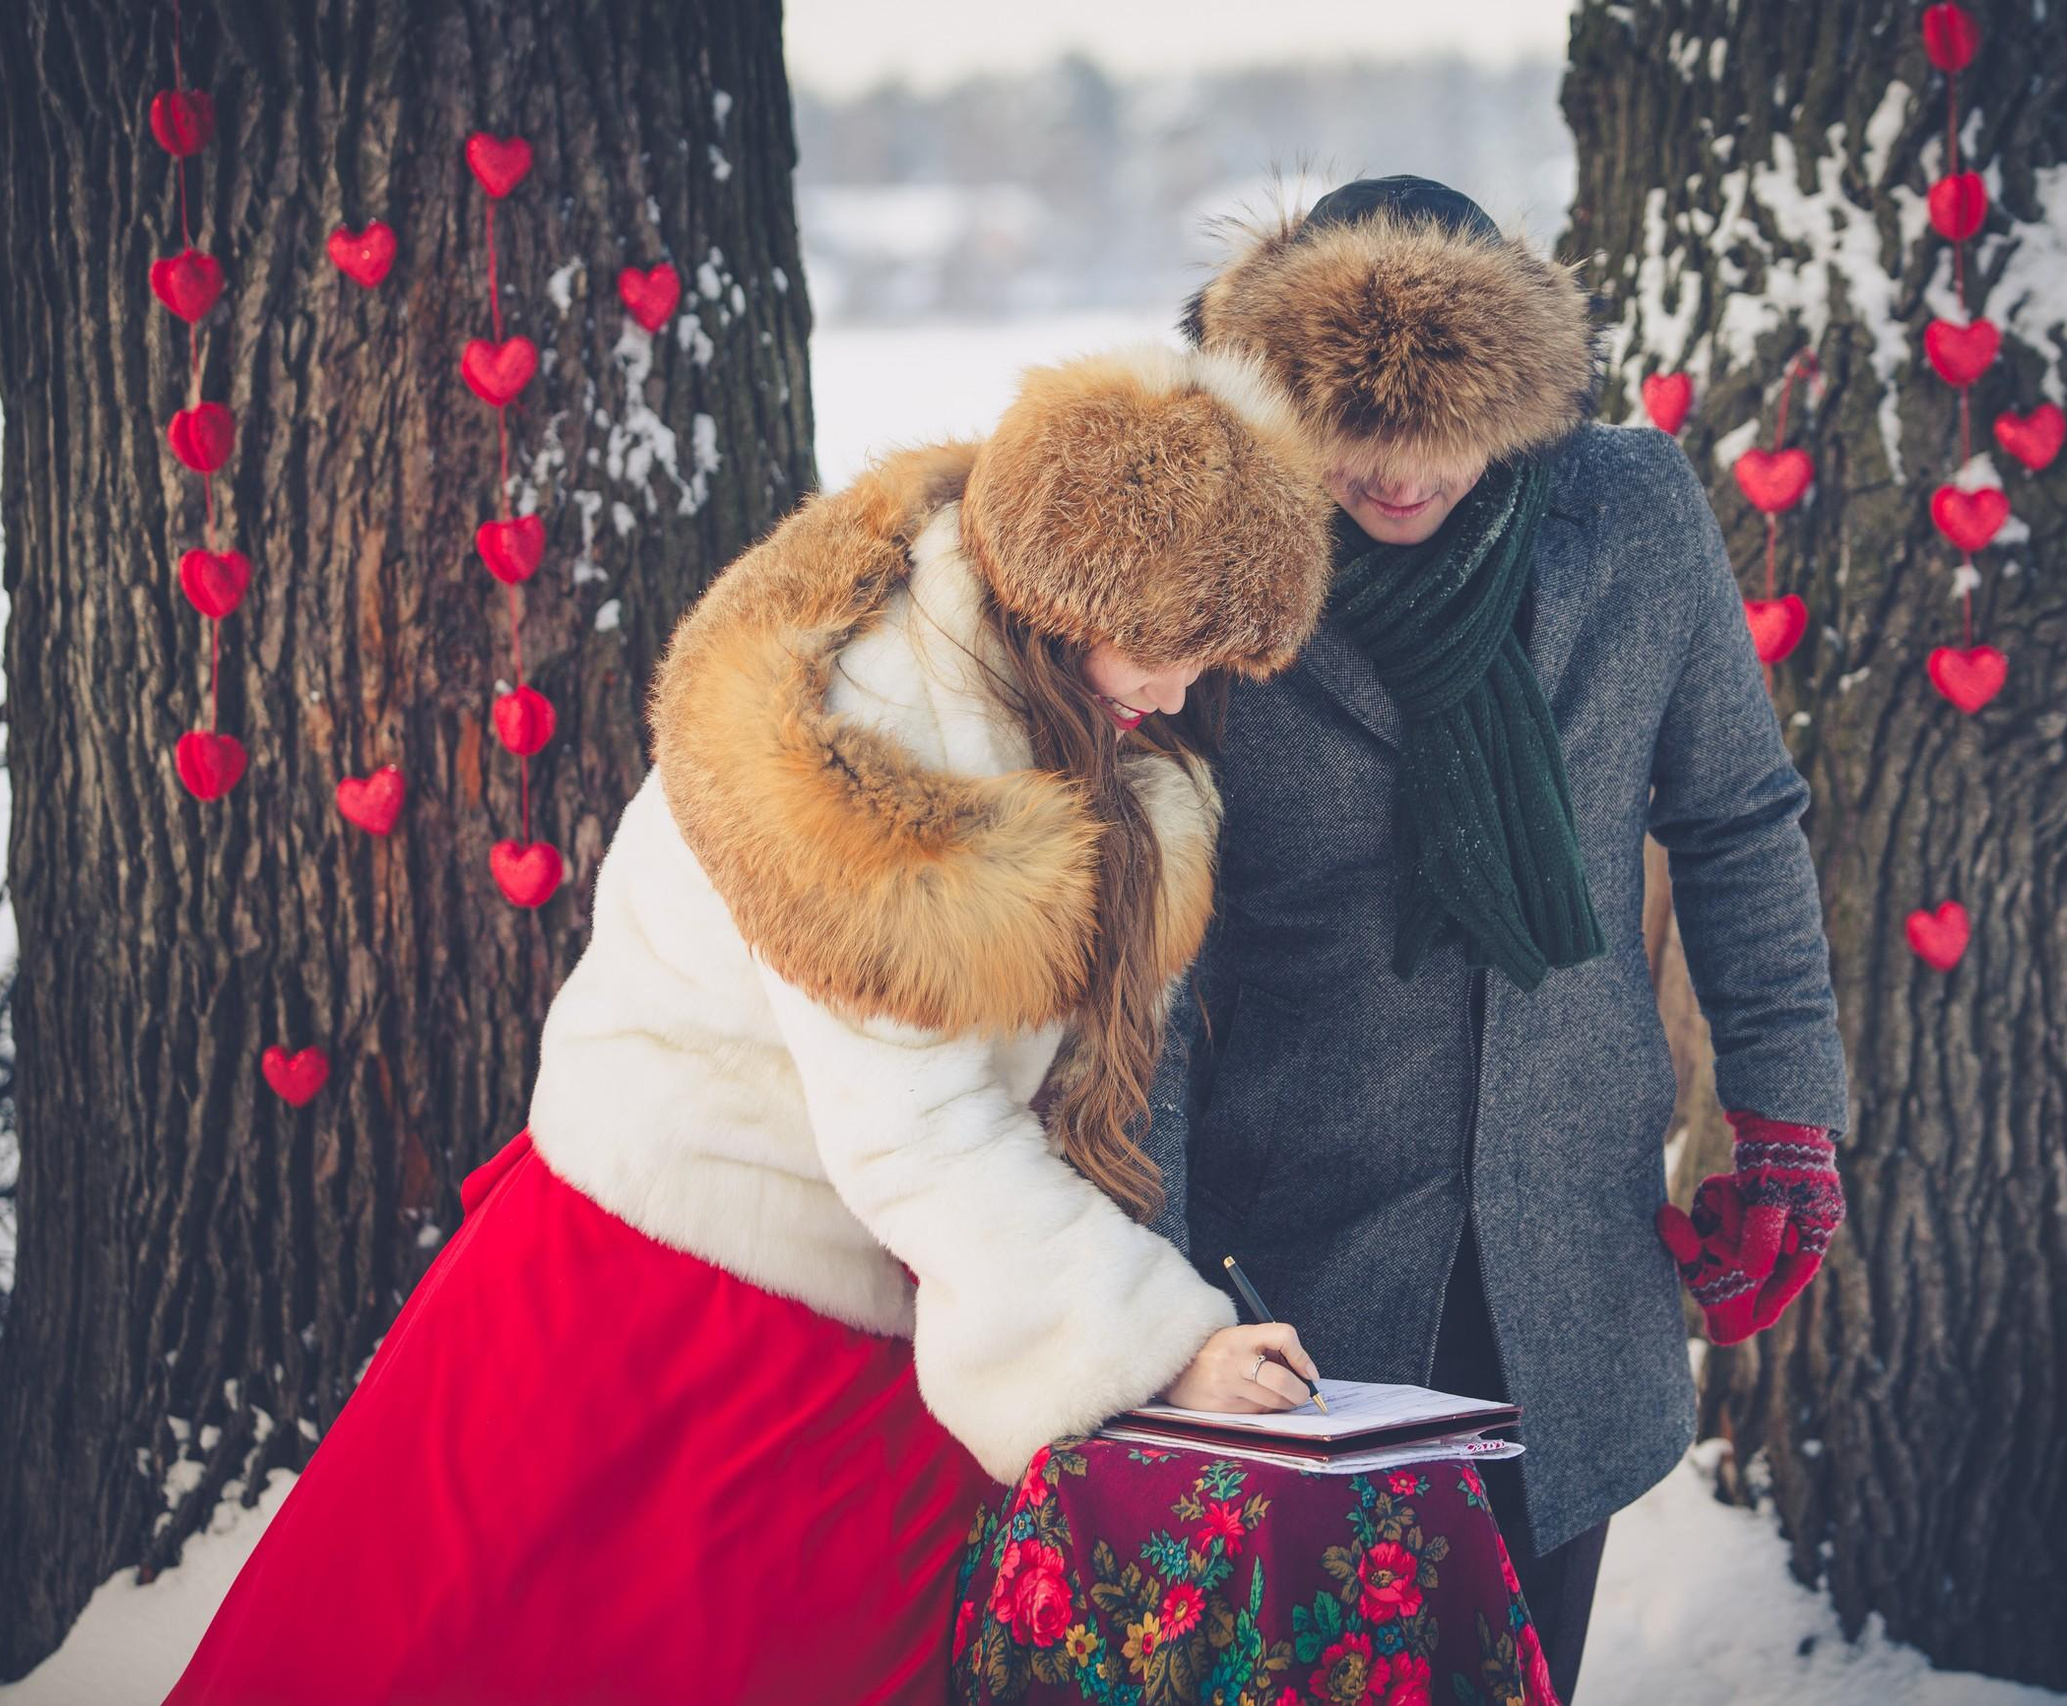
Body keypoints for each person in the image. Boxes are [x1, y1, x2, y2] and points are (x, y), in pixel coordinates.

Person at [164, 344, 1337, 1706]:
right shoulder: (881, 737)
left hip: (850, 1293)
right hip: (682, 1309)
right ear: (1083, 589)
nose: (1184, 694)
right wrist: (1160, 1339)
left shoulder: (1035, 674)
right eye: (1172, 648)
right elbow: (918, 1127)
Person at [1146, 176, 1853, 1703]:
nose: (1398, 483)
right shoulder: (1225, 553)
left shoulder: (1635, 512)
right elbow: (1155, 937)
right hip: (1297, 1265)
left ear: (1522, 400)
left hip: (1567, 1260)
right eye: (1357, 445)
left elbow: (1735, 817)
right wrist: (1146, 1289)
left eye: (1443, 435)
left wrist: (1786, 1118)